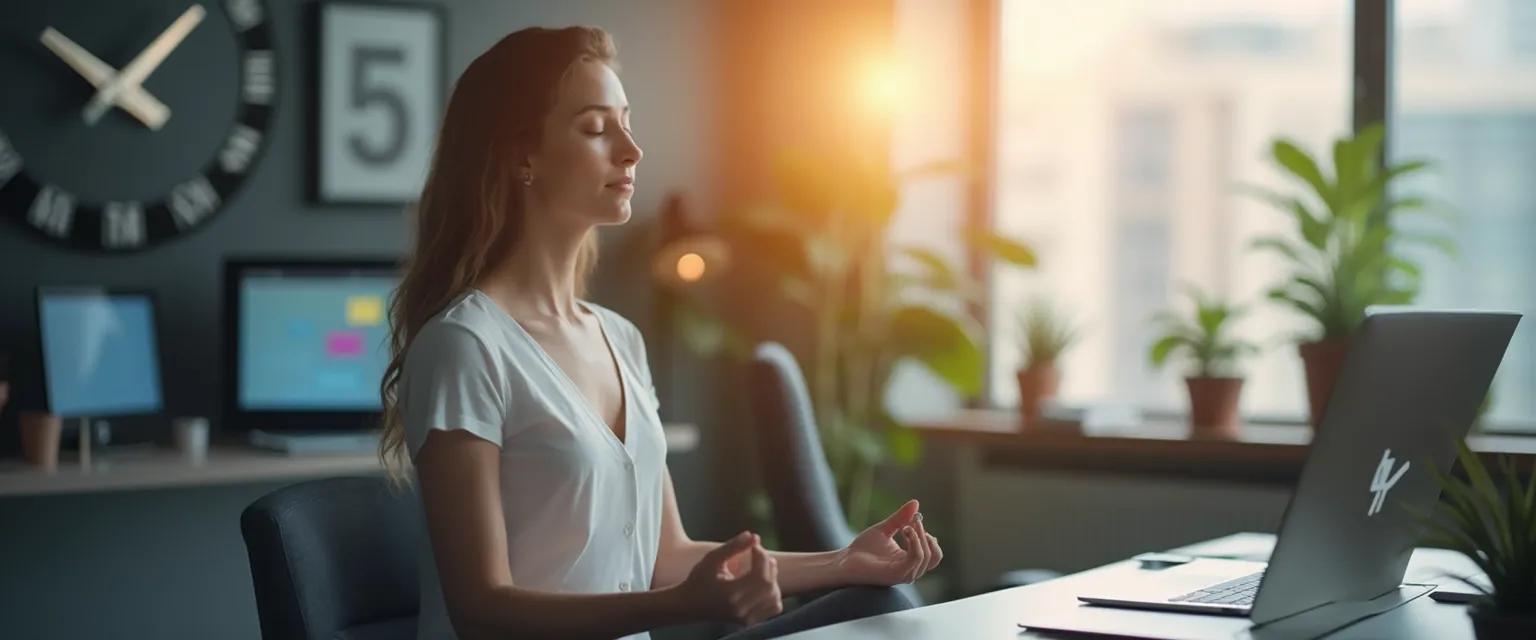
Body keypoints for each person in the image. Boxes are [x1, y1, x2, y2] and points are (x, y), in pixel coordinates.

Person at [377, 26, 941, 640]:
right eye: (596, 128)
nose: (631, 150)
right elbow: (482, 607)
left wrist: (844, 562)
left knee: (877, 603)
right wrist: (676, 608)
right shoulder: (465, 346)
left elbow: (667, 556)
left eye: (627, 122)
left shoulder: (620, 339)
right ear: (522, 156)